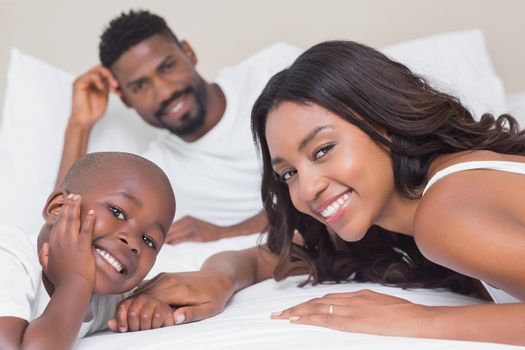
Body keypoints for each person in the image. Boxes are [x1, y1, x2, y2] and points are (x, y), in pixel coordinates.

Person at [110, 41, 525, 345]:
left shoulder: (443, 216)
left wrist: (420, 321)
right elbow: (263, 256)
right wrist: (217, 277)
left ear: (383, 120)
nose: (307, 188)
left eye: (323, 150)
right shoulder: (403, 216)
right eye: (288, 173)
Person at [56, 10, 302, 245]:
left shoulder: (275, 68)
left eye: (167, 66)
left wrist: (228, 232)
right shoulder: (156, 173)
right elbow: (62, 230)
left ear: (189, 53)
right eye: (140, 86)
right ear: (126, 99)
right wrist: (78, 125)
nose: (164, 91)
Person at [0, 152, 176, 350]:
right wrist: (74, 282)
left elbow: (182, 291)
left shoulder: (105, 298)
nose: (133, 242)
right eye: (117, 212)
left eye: (149, 241)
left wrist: (150, 309)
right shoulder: (9, 256)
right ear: (58, 208)